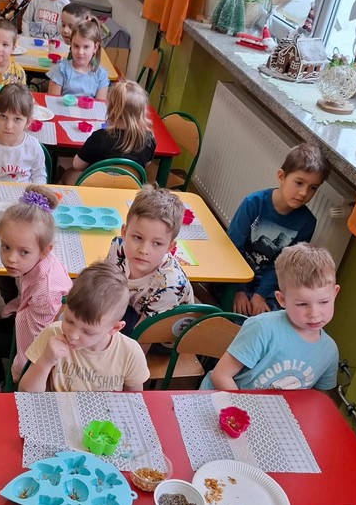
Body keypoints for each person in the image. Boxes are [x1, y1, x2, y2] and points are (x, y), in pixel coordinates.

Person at [0, 186, 72, 393]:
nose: (11, 259)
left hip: (46, 339)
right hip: (37, 320)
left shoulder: (46, 292)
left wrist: (18, 371)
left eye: (23, 252)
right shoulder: (37, 259)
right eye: (6, 247)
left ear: (45, 251)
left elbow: (36, 344)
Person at [202, 243, 339, 392]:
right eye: (302, 304)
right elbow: (220, 376)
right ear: (282, 300)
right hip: (223, 399)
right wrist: (244, 406)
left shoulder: (329, 350)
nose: (314, 313)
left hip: (272, 406)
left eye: (324, 302)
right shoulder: (262, 328)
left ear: (335, 293)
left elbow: (318, 397)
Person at [226, 142, 329, 316]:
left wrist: (260, 295)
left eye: (313, 188)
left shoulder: (307, 222)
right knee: (233, 312)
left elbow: (284, 265)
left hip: (268, 283)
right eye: (299, 183)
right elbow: (232, 248)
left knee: (276, 317)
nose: (304, 193)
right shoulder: (253, 204)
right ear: (281, 176)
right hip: (236, 275)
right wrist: (239, 290)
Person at [19, 261, 150, 392]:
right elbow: (26, 393)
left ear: (114, 328)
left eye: (88, 332)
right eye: (69, 321)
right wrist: (45, 361)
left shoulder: (130, 352)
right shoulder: (52, 334)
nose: (73, 335)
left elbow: (135, 399)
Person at [106, 184, 194, 335]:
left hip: (161, 335)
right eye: (137, 237)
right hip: (131, 308)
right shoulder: (118, 246)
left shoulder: (170, 284)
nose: (143, 250)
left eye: (157, 243)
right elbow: (106, 285)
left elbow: (144, 337)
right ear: (124, 232)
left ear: (170, 247)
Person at [62, 79, 155, 185]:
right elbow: (147, 163)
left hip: (95, 188)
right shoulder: (148, 140)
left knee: (69, 173)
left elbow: (77, 165)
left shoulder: (99, 137)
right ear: (142, 112)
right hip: (129, 189)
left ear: (111, 109)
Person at [47, 18, 109, 101]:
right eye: (76, 46)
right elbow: (52, 102)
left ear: (95, 47)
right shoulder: (61, 70)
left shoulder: (101, 75)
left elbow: (99, 106)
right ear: (71, 45)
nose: (80, 52)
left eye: (86, 47)